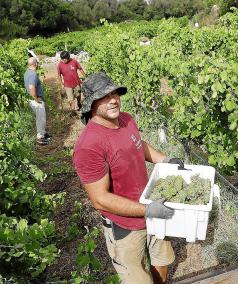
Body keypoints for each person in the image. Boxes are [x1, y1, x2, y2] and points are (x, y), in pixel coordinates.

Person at [73, 72, 185, 284]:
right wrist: (147, 209)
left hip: (152, 207)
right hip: (125, 225)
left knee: (162, 260)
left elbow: (137, 144)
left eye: (115, 93)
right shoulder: (89, 146)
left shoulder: (126, 119)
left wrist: (164, 159)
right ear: (91, 104)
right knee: (137, 278)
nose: (114, 100)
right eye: (105, 96)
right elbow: (100, 199)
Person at [24, 57, 51, 145]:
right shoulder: (33, 74)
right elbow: (32, 87)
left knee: (40, 119)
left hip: (31, 99)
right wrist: (36, 98)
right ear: (36, 64)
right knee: (41, 119)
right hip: (36, 100)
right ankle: (40, 138)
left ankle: (43, 133)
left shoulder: (27, 72)